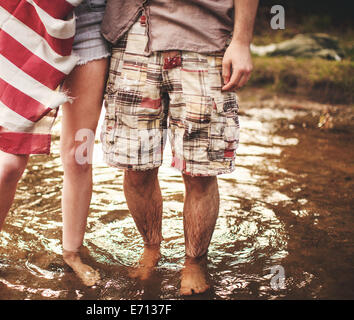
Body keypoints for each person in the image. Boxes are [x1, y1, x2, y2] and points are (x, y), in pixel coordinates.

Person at [100, 0, 258, 295]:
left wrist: (242, 40)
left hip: (203, 34)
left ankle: (194, 261)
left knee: (200, 171)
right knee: (136, 166)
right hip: (132, 33)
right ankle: (151, 248)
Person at [0, 0, 109, 289]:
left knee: (79, 154)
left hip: (88, 25)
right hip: (26, 26)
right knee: (9, 161)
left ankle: (72, 253)